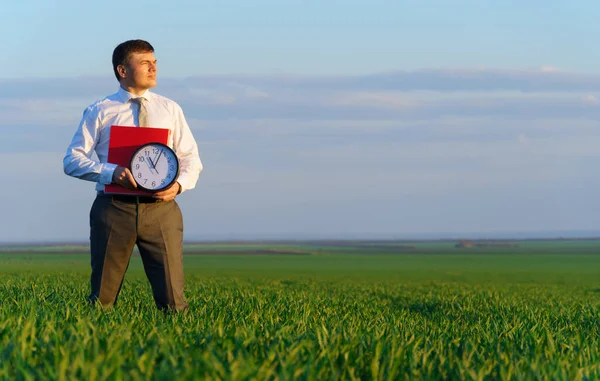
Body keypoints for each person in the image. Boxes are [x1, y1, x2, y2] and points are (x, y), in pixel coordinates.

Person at [63, 39, 203, 312]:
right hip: (113, 209)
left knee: (174, 302)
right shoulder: (99, 110)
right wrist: (110, 173)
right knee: (102, 300)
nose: (153, 69)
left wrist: (178, 186)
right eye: (144, 63)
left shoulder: (170, 109)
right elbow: (72, 160)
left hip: (162, 210)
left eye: (155, 63)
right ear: (122, 70)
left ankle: (178, 351)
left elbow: (191, 159)